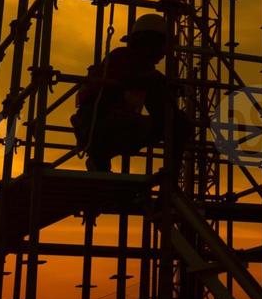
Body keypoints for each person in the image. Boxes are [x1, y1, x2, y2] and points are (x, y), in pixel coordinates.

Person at [72, 14, 191, 177]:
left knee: (177, 122)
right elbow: (123, 82)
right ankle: (99, 158)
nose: (163, 53)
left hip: (112, 127)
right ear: (147, 42)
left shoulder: (144, 70)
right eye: (161, 46)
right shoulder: (122, 57)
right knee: (176, 122)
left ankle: (170, 177)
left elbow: (149, 86)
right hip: (97, 127)